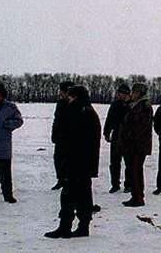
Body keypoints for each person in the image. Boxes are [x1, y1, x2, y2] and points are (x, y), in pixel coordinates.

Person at [45, 85, 101, 238]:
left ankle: (67, 226)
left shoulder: (81, 112)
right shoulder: (85, 111)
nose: (67, 98)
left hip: (77, 162)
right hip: (81, 163)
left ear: (76, 97)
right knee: (82, 195)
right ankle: (80, 226)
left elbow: (71, 138)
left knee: (70, 195)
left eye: (70, 96)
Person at [118, 82, 153, 207]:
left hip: (137, 146)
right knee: (133, 171)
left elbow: (140, 126)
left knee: (135, 171)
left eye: (134, 92)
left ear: (140, 93)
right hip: (132, 145)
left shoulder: (144, 106)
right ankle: (136, 195)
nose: (132, 94)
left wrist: (128, 136)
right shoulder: (133, 105)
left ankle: (138, 197)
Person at [104, 84, 132, 193]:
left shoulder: (131, 105)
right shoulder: (115, 104)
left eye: (121, 93)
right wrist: (106, 132)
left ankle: (128, 185)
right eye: (119, 93)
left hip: (128, 137)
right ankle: (115, 184)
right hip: (116, 136)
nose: (119, 95)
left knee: (128, 163)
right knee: (114, 162)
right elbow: (109, 119)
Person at [51, 80, 74, 190]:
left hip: (70, 138)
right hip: (60, 137)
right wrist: (54, 134)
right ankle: (60, 179)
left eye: (62, 91)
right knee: (58, 159)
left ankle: (68, 179)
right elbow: (56, 120)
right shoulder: (60, 103)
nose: (60, 93)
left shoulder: (74, 104)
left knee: (68, 160)